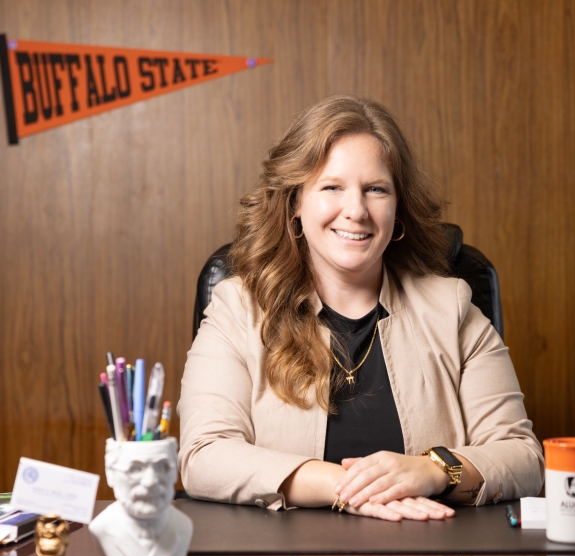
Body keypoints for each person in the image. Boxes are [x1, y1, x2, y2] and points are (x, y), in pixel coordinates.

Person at [178, 95, 543, 522]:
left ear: (397, 207)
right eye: (331, 187)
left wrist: (432, 469)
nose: (356, 211)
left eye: (376, 190)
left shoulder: (453, 309)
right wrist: (348, 488)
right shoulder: (237, 310)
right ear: (296, 204)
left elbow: (523, 457)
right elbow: (203, 456)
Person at [89, 439, 193, 556]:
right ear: (110, 473)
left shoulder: (183, 526)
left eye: (162, 467)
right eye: (135, 469)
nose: (150, 482)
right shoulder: (101, 528)